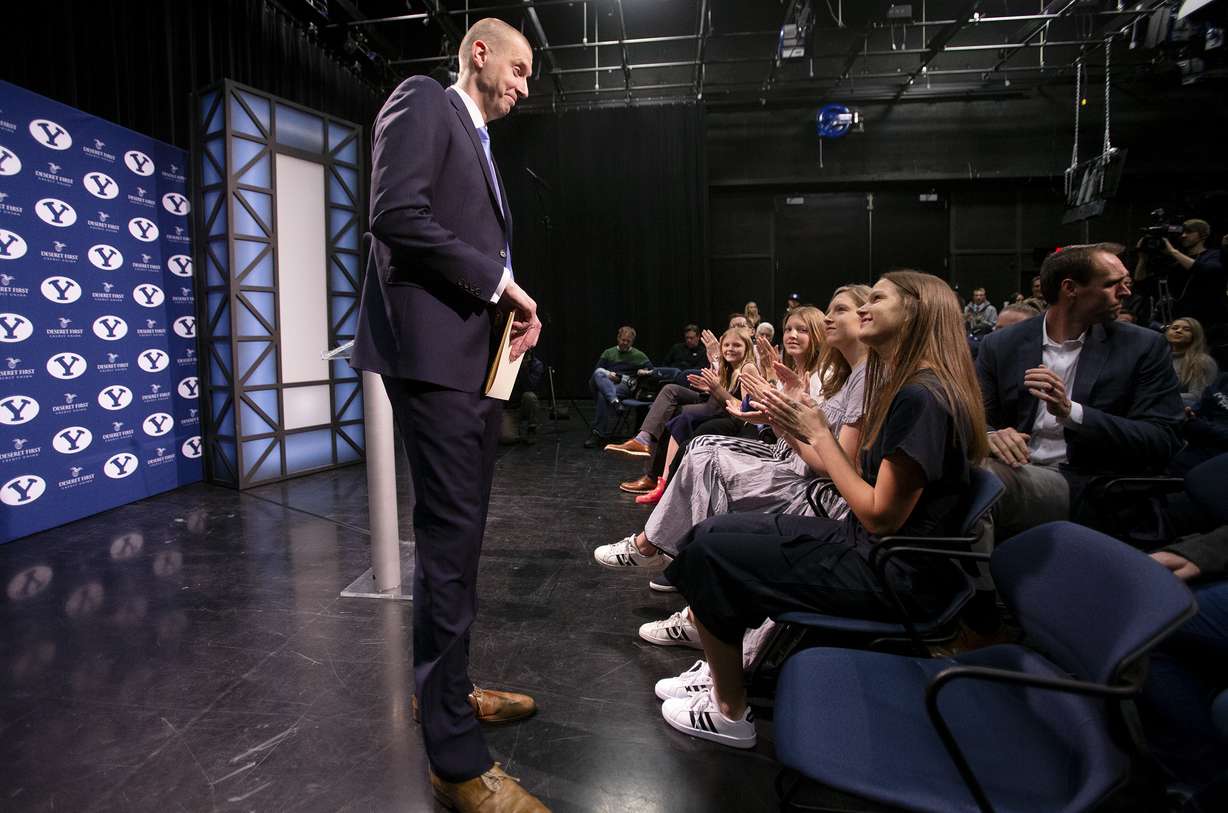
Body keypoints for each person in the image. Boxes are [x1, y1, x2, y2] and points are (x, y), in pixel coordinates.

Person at [643, 271, 987, 749]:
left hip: (893, 573)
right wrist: (804, 419)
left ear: (915, 312)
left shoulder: (921, 396)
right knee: (709, 534)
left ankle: (728, 712)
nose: (864, 307)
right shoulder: (916, 387)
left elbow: (879, 515)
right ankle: (729, 672)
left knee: (711, 553)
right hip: (876, 552)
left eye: (878, 299)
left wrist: (819, 432)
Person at [349, 18, 547, 811]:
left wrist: (509, 306)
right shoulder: (422, 101)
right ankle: (457, 760)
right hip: (432, 358)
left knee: (457, 541)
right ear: (479, 50)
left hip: (470, 360)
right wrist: (500, 284)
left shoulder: (481, 144)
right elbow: (396, 215)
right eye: (521, 69)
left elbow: (458, 239)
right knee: (449, 541)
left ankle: (447, 692)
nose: (524, 87)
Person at [592, 287, 871, 648]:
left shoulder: (854, 377)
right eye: (790, 329)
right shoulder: (846, 375)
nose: (793, 335)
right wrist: (778, 404)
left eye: (805, 328)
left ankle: (683, 580)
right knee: (700, 440)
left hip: (806, 484)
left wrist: (778, 413)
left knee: (707, 451)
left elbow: (830, 464)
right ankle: (667, 553)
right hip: (794, 463)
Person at [977, 243, 1185, 540]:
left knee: (981, 481)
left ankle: (978, 587)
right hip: (1015, 467)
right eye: (1113, 284)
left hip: (1088, 484)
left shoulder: (1143, 346)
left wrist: (1071, 412)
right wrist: (989, 435)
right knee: (946, 470)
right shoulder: (1001, 344)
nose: (1126, 292)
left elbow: (1163, 438)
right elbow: (974, 415)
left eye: (1126, 282)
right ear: (1070, 289)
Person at [1137, 218, 1228, 331]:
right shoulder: (1174, 261)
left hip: (1208, 323)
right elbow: (1142, 285)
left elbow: (1209, 271)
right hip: (1178, 322)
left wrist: (1173, 252)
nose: (1183, 236)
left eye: (1189, 232)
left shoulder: (1215, 255)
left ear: (1203, 235)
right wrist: (1142, 259)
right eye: (1182, 233)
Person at [584, 326, 652, 447]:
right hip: (607, 382)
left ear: (632, 342)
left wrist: (643, 372)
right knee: (599, 372)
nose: (625, 343)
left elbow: (652, 371)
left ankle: (598, 433)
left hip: (624, 385)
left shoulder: (639, 355)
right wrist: (609, 376)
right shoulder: (608, 353)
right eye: (623, 340)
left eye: (628, 341)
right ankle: (615, 402)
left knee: (602, 395)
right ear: (618, 338)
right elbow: (596, 373)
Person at [1166, 317, 1219, 405]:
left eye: (1186, 329)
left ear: (1195, 335)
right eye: (1174, 328)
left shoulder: (1201, 361)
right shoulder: (1159, 356)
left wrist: (1159, 396)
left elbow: (1197, 397)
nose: (1178, 331)